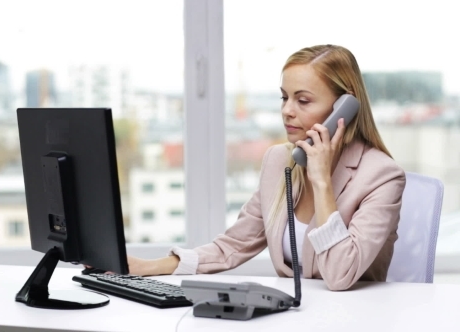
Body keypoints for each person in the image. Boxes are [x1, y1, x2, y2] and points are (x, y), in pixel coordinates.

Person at [128, 44, 406, 291]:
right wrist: (145, 267)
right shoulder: (278, 161)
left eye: (303, 100)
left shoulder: (381, 176)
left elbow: (340, 275)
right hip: (294, 316)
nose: (287, 110)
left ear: (345, 106)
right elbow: (232, 246)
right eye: (284, 97)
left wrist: (321, 182)